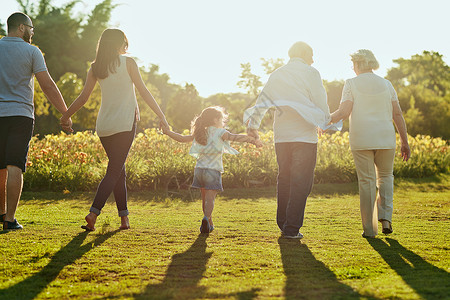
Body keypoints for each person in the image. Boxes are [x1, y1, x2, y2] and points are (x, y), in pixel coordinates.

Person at [60, 28, 169, 231]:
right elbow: (144, 91)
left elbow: (84, 98)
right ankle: (93, 213)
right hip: (125, 124)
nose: (126, 47)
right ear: (119, 44)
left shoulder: (95, 67)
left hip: (104, 126)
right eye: (124, 43)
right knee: (114, 171)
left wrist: (66, 116)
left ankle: (124, 218)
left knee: (119, 171)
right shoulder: (128, 63)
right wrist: (161, 116)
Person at [244, 41, 331, 239]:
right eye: (312, 54)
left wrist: (253, 126)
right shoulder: (311, 73)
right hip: (304, 137)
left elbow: (262, 101)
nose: (313, 59)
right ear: (303, 53)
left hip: (282, 137)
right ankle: (291, 228)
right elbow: (320, 99)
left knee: (285, 178)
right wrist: (323, 122)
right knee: (302, 183)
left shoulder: (277, 74)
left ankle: (284, 223)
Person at [0, 12, 72, 230]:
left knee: (0, 168)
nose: (32, 32)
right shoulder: (32, 51)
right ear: (21, 27)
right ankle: (10, 220)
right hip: (20, 115)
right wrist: (66, 113)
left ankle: (0, 213)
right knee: (14, 166)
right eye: (31, 28)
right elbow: (48, 85)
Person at [329, 49, 410, 238]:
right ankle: (386, 219)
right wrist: (404, 141)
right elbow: (397, 114)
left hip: (362, 139)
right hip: (385, 138)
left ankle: (370, 229)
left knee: (367, 182)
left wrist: (325, 121)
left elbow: (343, 112)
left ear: (357, 64)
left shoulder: (351, 83)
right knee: (386, 177)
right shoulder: (387, 84)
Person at [161, 106, 262, 233]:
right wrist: (253, 141)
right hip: (212, 170)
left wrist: (167, 132)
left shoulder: (200, 132)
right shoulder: (220, 132)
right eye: (221, 119)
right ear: (215, 120)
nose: (223, 122)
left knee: (204, 198)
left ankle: (209, 222)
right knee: (210, 199)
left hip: (199, 170)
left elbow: (181, 138)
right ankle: (206, 218)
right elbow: (236, 137)